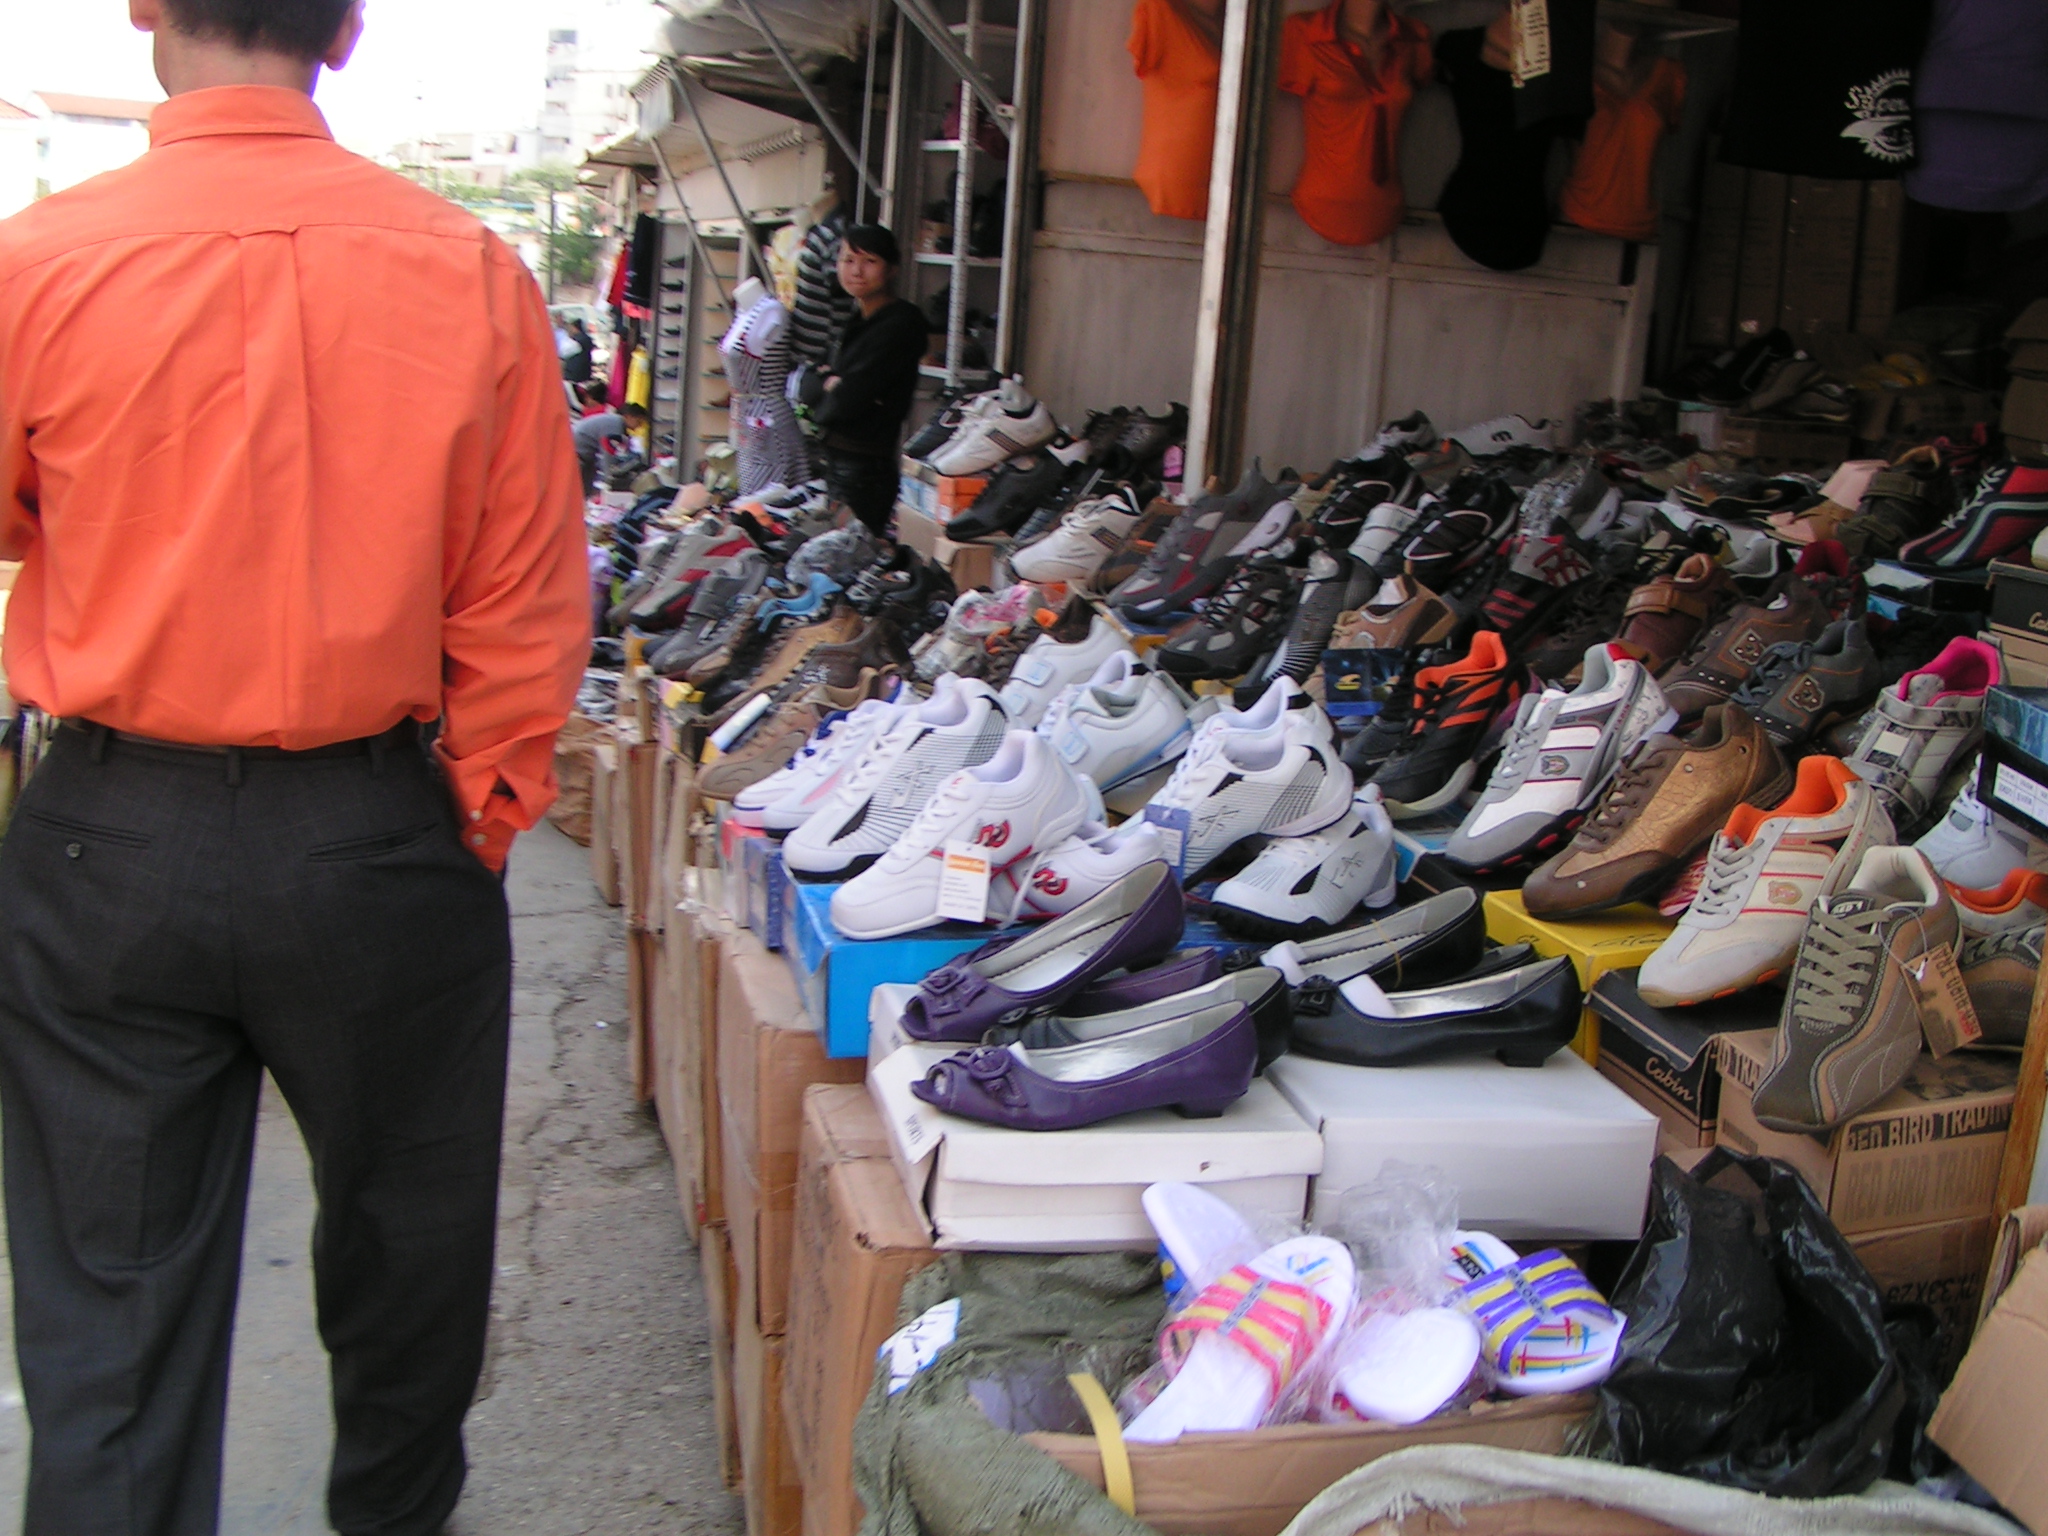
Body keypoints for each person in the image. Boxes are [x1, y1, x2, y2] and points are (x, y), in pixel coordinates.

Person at [0, 2, 590, 1533]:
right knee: (410, 1262)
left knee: (108, 1312)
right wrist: (470, 820)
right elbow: (524, 603)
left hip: (109, 832)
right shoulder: (465, 268)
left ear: (146, 9)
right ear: (347, 29)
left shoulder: (39, 262)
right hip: (373, 826)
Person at [797, 223, 929, 537]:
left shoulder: (901, 323)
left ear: (892, 269)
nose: (856, 271)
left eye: (870, 261)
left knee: (849, 551)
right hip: (838, 462)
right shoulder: (856, 319)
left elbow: (847, 399)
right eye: (848, 260)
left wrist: (832, 385)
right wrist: (829, 384)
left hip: (865, 468)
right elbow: (808, 385)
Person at [574, 400, 649, 496]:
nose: (639, 426)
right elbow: (608, 454)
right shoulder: (614, 425)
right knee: (581, 488)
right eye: (639, 421)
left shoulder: (615, 422)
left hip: (583, 450)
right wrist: (610, 480)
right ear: (628, 416)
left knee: (587, 483)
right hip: (578, 451)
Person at [562, 316, 596, 385]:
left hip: (574, 375)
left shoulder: (577, 341)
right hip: (584, 373)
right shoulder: (585, 338)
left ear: (574, 327)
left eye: (569, 327)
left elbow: (563, 353)